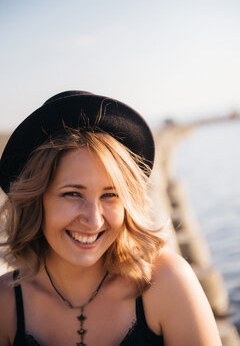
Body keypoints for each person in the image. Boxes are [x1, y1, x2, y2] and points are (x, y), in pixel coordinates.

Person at [0, 91, 222, 346]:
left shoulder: (166, 283)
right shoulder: (5, 306)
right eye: (72, 194)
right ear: (35, 201)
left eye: (110, 195)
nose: (94, 220)